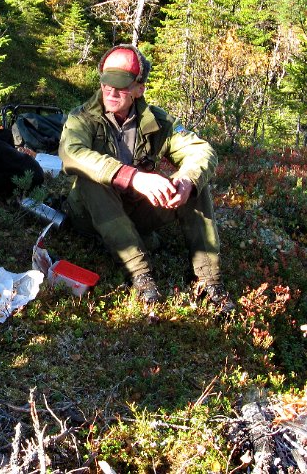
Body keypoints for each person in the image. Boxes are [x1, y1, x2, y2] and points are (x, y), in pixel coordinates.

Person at [58, 44, 235, 313]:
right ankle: (140, 274)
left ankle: (209, 280)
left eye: (121, 87)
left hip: (133, 211)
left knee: (194, 185)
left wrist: (187, 180)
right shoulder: (82, 118)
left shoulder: (158, 122)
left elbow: (200, 151)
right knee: (91, 178)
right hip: (88, 214)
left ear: (139, 89)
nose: (111, 93)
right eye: (106, 84)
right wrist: (132, 177)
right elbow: (72, 153)